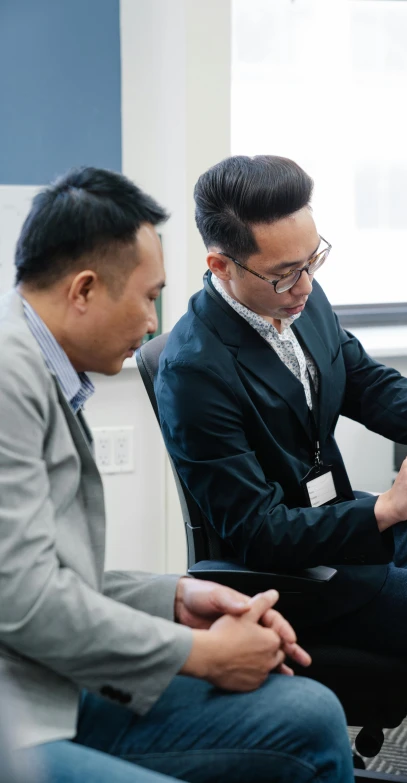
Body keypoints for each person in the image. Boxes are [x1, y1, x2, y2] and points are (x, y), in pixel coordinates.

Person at [156, 154, 407, 783]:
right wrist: (386, 507)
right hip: (303, 571)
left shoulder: (296, 292)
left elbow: (358, 375)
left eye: (312, 261)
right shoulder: (195, 369)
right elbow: (256, 531)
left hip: (358, 527)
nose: (304, 286)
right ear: (221, 265)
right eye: (284, 274)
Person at [0, 166, 354, 783]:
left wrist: (175, 596)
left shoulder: (43, 372)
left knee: (311, 714)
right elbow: (25, 604)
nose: (151, 322)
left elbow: (39, 578)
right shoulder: (10, 383)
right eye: (146, 296)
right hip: (21, 708)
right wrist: (199, 655)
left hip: (45, 670)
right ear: (83, 290)